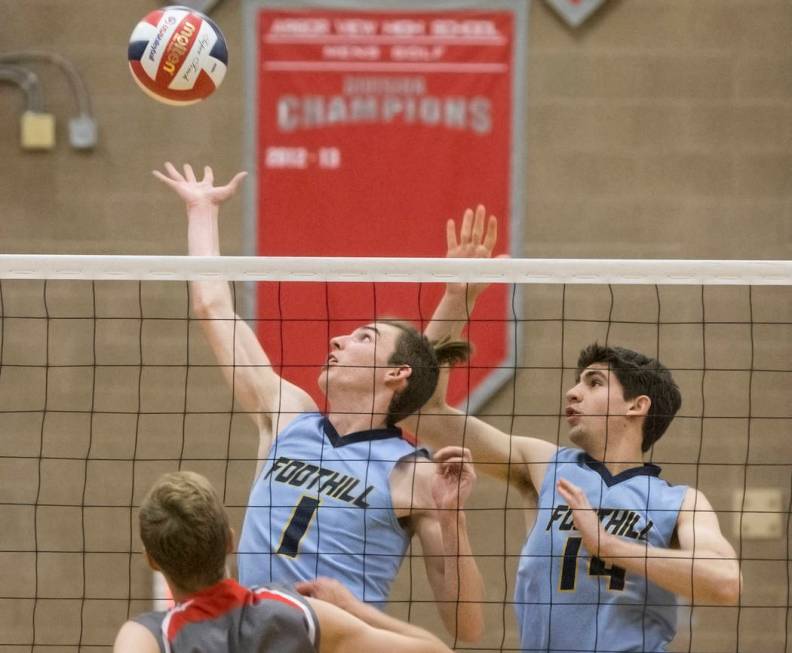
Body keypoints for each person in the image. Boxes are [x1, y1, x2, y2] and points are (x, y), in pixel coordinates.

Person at [152, 163, 485, 641]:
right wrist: (201, 211)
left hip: (336, 642)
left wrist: (453, 520)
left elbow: (467, 628)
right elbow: (213, 309)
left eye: (363, 338)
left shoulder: (416, 475)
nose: (338, 341)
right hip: (248, 641)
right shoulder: (288, 414)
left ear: (396, 374)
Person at [407, 211, 743, 652]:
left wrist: (609, 545)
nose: (572, 392)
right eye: (577, 380)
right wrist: (459, 298)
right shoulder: (544, 464)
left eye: (594, 383)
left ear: (637, 406)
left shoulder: (680, 502)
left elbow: (726, 583)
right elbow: (419, 410)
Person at [114, 470, 457, 653]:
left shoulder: (147, 637)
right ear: (231, 540)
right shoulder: (295, 614)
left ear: (152, 561)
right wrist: (355, 608)